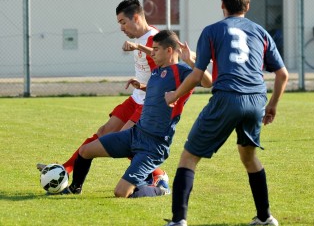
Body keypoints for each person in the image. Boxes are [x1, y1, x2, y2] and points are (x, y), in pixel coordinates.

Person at [164, 0, 288, 226]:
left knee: (188, 157)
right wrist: (272, 105)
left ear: (222, 5)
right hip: (256, 99)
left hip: (227, 97)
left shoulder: (212, 30)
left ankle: (178, 221)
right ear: (248, 5)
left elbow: (198, 76)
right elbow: (283, 74)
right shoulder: (261, 32)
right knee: (249, 157)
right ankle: (265, 217)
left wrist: (174, 95)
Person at [54, 30, 212, 197]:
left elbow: (208, 82)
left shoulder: (182, 70)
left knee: (121, 193)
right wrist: (142, 86)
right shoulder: (158, 71)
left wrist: (190, 60)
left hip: (153, 145)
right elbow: (158, 91)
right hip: (134, 134)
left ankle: (160, 188)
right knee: (85, 151)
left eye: (156, 49)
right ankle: (75, 188)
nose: (152, 53)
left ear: (169, 51)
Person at [37, 0, 167, 185]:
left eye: (123, 22)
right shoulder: (141, 38)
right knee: (104, 131)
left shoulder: (154, 38)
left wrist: (139, 47)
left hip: (149, 102)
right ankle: (65, 169)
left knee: (125, 141)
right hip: (136, 98)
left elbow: (168, 65)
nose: (121, 28)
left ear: (136, 18)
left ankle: (157, 175)